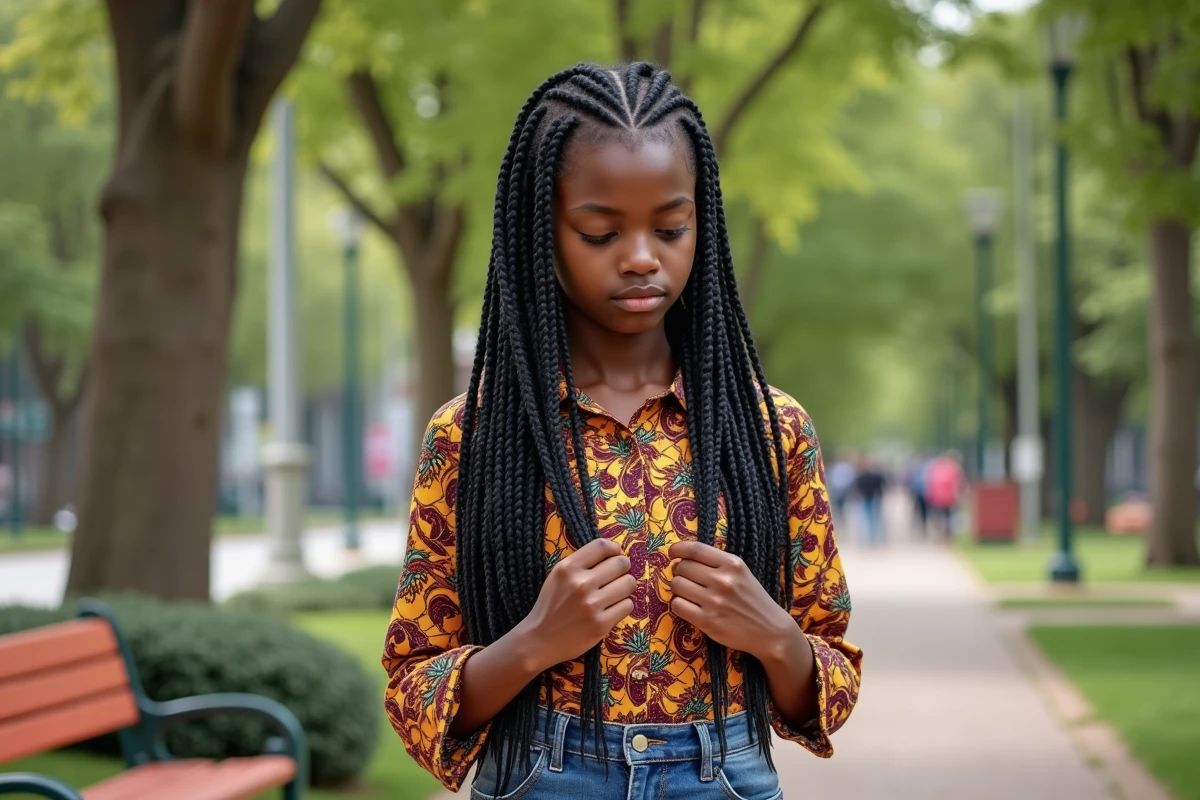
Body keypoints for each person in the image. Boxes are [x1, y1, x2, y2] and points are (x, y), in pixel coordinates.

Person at [382, 64, 862, 799]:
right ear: (543, 232)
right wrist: (533, 643)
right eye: (601, 231)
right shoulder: (474, 437)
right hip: (541, 775)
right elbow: (416, 695)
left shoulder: (771, 430)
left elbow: (830, 688)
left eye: (671, 227)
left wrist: (774, 635)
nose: (642, 256)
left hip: (722, 776)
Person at [924, 450, 965, 541]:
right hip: (948, 497)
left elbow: (931, 482)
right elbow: (957, 485)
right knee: (948, 516)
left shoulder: (937, 467)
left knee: (939, 516)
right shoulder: (955, 469)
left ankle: (941, 533)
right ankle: (946, 534)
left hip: (937, 497)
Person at [852, 456, 887, 546]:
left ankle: (872, 537)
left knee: (871, 518)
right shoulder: (871, 476)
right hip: (870, 498)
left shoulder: (868, 476)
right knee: (871, 518)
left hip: (872, 498)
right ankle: (872, 537)